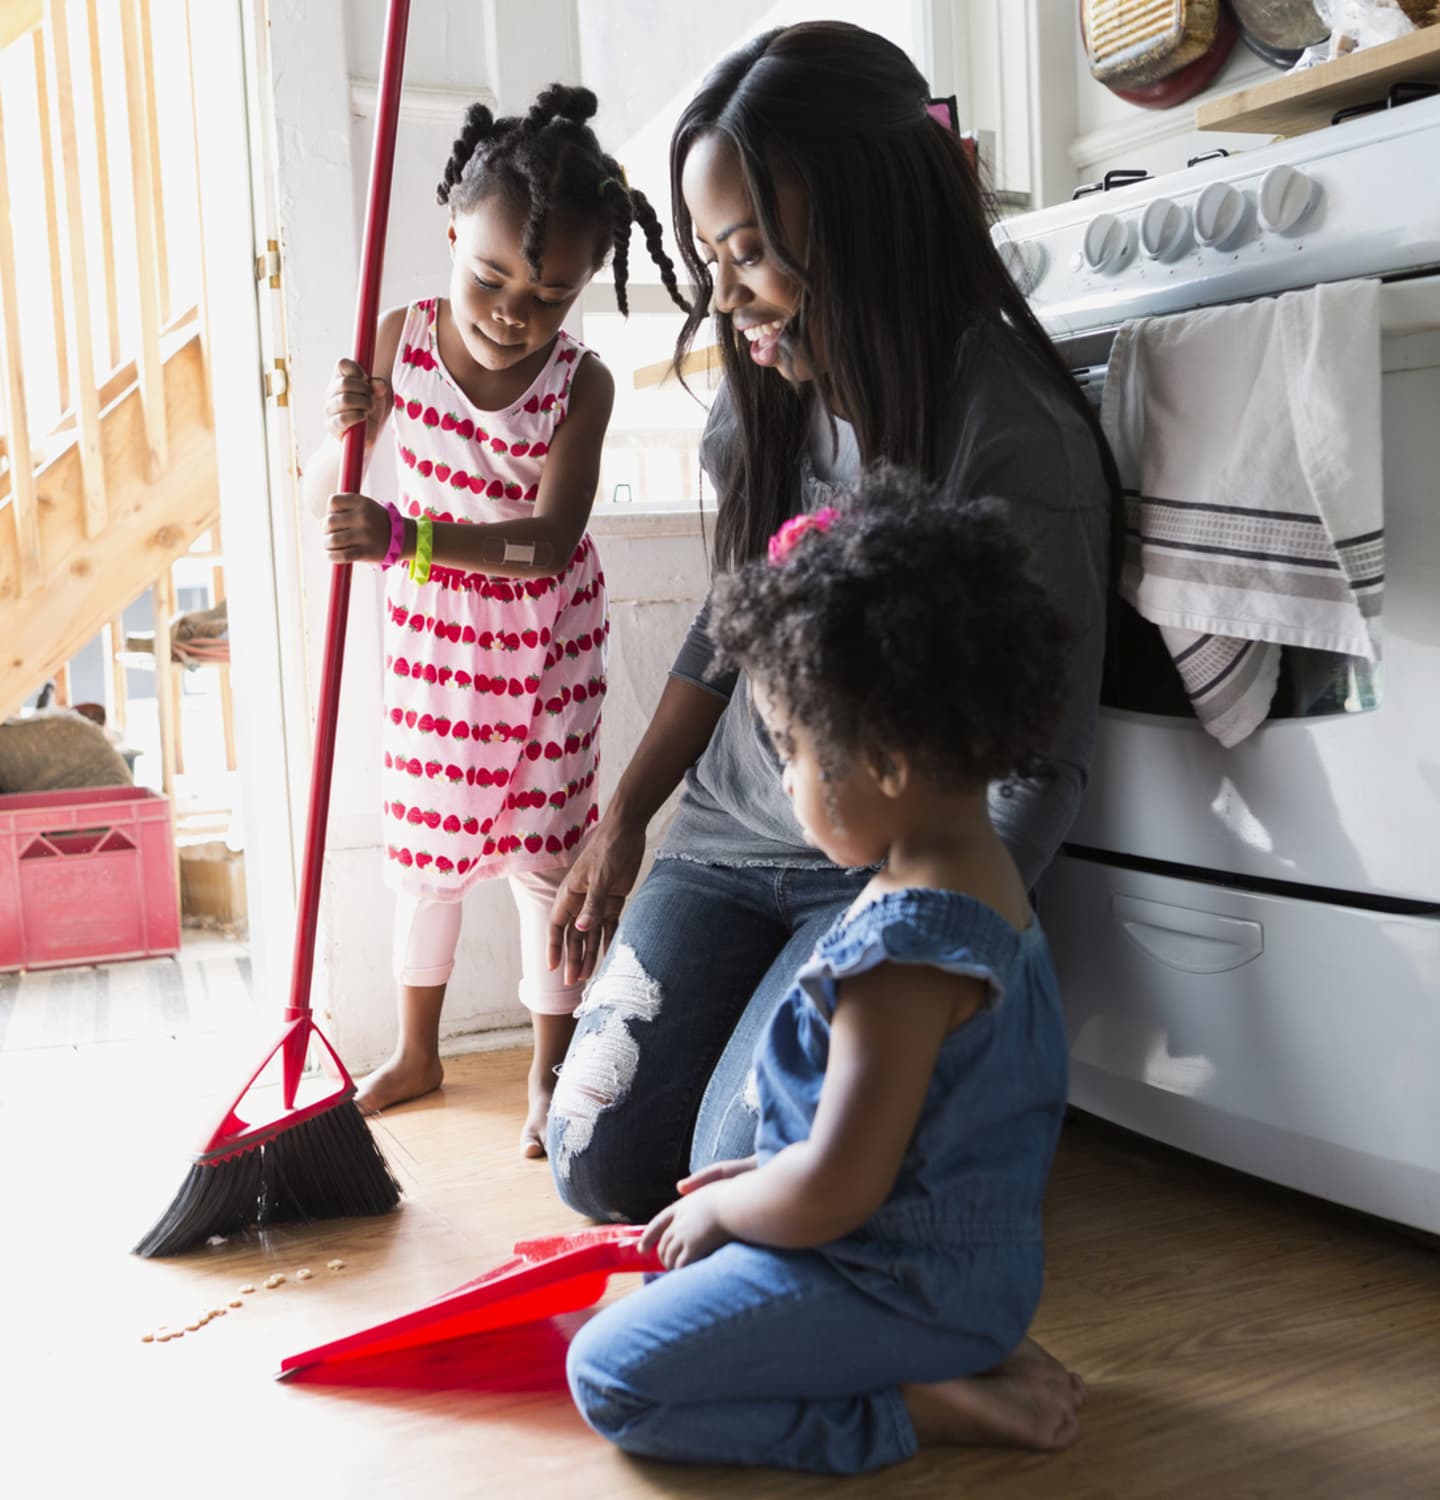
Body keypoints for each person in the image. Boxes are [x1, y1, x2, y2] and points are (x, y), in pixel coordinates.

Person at [545, 23, 1118, 1218]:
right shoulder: (763, 407)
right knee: (596, 1157)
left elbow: (1038, 768)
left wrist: (918, 956)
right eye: (710, 258)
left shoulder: (1009, 439)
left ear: (868, 220)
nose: (726, 298)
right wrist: (626, 821)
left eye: (750, 254)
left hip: (882, 862)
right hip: (727, 842)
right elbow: (726, 629)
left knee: (741, 1175)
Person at [567, 471, 1086, 1474]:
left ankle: (914, 1408)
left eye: (793, 752)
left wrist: (733, 1204)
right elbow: (922, 1137)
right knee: (681, 1271)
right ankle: (971, 1353)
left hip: (897, 1284)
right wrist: (758, 1179)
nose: (791, 786)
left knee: (611, 1374)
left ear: (886, 760)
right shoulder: (990, 891)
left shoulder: (899, 950)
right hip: (972, 1274)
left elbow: (840, 1191)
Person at [310, 85, 688, 1154]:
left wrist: (407, 539)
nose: (515, 309)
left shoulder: (583, 384)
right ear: (450, 237)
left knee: (541, 860)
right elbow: (325, 495)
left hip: (542, 654)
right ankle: (419, 1049)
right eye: (489, 276)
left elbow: (553, 539)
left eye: (551, 293)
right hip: (433, 651)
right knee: (426, 855)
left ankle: (548, 1068)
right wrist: (345, 428)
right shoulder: (397, 339)